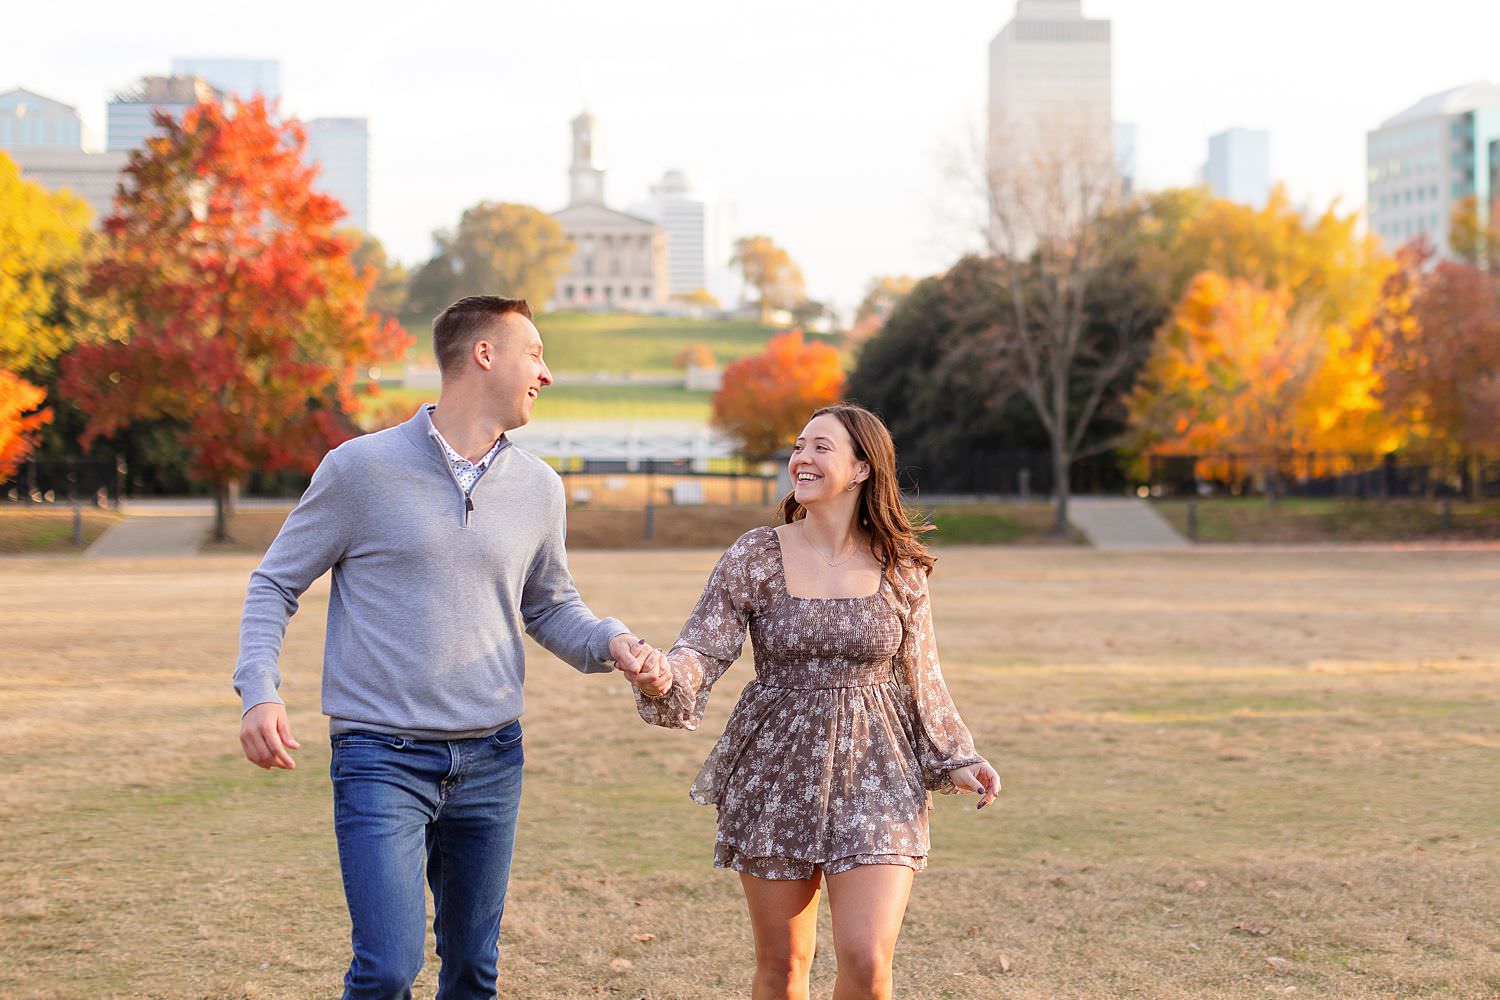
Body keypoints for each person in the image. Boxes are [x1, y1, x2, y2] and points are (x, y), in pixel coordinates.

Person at [233, 295, 667, 1000]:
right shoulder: (359, 470)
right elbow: (274, 583)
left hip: (493, 759)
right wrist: (260, 690)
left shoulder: (539, 487)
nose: (547, 374)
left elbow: (550, 605)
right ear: (484, 355)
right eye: (535, 353)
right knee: (387, 970)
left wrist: (612, 640)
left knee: (473, 971)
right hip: (381, 758)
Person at [628, 403, 1002, 1000]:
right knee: (782, 967)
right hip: (777, 770)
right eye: (798, 446)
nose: (801, 457)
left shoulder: (900, 566)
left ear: (860, 470)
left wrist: (957, 755)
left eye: (821, 447)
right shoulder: (754, 555)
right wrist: (664, 678)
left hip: (879, 771)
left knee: (869, 961)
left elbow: (922, 675)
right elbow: (702, 649)